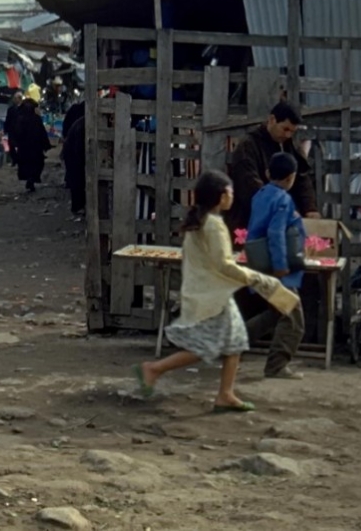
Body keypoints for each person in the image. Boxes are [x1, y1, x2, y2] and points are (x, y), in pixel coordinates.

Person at [132, 170, 293, 412]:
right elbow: (223, 264)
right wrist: (257, 278)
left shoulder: (199, 222)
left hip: (209, 291)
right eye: (229, 192)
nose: (232, 196)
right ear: (220, 196)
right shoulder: (214, 225)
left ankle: (225, 393)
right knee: (208, 346)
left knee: (234, 342)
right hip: (214, 295)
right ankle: (154, 369)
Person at [244, 152, 307, 379]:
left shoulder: (260, 195)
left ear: (268, 173)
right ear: (291, 178)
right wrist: (281, 266)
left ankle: (233, 343)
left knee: (275, 313)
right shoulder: (283, 199)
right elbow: (275, 232)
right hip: (275, 266)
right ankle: (277, 365)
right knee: (293, 317)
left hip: (259, 262)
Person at [226, 100, 320, 234]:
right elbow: (250, 185)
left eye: (292, 131)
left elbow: (300, 177)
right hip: (251, 223)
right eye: (285, 129)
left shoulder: (288, 145)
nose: (288, 135)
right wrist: (281, 207)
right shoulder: (248, 146)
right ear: (272, 120)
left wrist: (310, 208)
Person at [16, 98, 51, 193]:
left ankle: (29, 180)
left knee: (26, 165)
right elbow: (42, 133)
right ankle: (31, 179)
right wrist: (46, 145)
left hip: (23, 148)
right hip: (35, 148)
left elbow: (17, 133)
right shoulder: (36, 119)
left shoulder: (20, 119)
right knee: (36, 164)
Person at [61, 103, 86, 220]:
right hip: (74, 153)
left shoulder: (81, 121)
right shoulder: (83, 125)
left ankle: (79, 206)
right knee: (77, 180)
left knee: (76, 179)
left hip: (72, 151)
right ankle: (78, 207)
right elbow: (78, 148)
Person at [5, 91, 26, 167]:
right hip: (12, 129)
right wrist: (5, 129)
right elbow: (8, 119)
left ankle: (20, 160)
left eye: (15, 98)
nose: (14, 100)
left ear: (19, 99)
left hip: (21, 130)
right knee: (11, 145)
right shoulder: (11, 109)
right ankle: (14, 160)